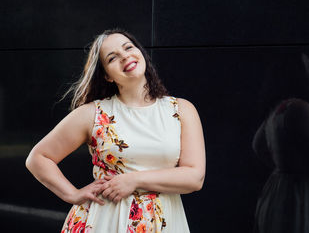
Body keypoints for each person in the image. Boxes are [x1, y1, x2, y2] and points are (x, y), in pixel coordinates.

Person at [25, 29, 206, 233]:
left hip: (164, 222)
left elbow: (194, 178)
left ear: (140, 53)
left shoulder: (181, 110)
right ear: (107, 76)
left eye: (128, 47)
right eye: (112, 58)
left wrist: (134, 180)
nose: (125, 56)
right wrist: (72, 194)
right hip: (106, 222)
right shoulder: (93, 114)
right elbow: (38, 158)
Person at [252, 54, 309, 233]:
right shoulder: (300, 108)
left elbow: (257, 146)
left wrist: (284, 166)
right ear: (296, 72)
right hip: (302, 193)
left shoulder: (277, 110)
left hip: (280, 191)